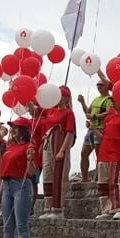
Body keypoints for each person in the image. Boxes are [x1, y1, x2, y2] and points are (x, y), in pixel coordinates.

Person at [37, 87, 76, 220]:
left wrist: (62, 150)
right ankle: (48, 207)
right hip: (48, 143)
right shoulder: (50, 111)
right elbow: (35, 109)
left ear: (65, 98)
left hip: (59, 143)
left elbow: (70, 132)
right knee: (48, 174)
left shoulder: (68, 113)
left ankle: (58, 208)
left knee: (58, 175)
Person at [96, 101, 120, 220]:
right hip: (104, 152)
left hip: (117, 152)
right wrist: (93, 129)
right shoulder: (108, 118)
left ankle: (118, 208)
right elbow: (104, 136)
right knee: (103, 183)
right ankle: (106, 209)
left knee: (114, 181)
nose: (112, 103)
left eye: (114, 101)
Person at [76, 79, 112, 182]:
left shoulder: (109, 99)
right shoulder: (96, 99)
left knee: (98, 153)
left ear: (106, 86)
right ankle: (85, 179)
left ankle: (98, 178)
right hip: (92, 129)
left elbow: (108, 113)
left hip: (100, 129)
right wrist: (82, 102)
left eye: (100, 85)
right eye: (97, 85)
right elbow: (88, 111)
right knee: (84, 153)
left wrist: (94, 116)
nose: (98, 86)